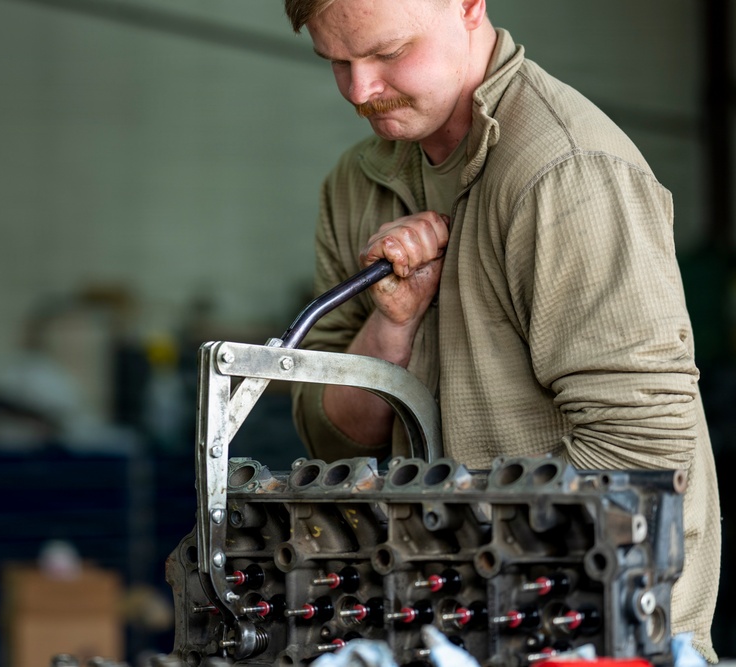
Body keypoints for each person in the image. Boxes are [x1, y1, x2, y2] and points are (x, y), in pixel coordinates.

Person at [284, 0, 720, 659]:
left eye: (388, 53)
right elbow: (330, 435)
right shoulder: (355, 185)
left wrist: (443, 571)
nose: (359, 90)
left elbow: (644, 453)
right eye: (337, 62)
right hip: (444, 631)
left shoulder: (566, 173)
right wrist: (390, 325)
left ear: (468, 5)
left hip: (596, 639)